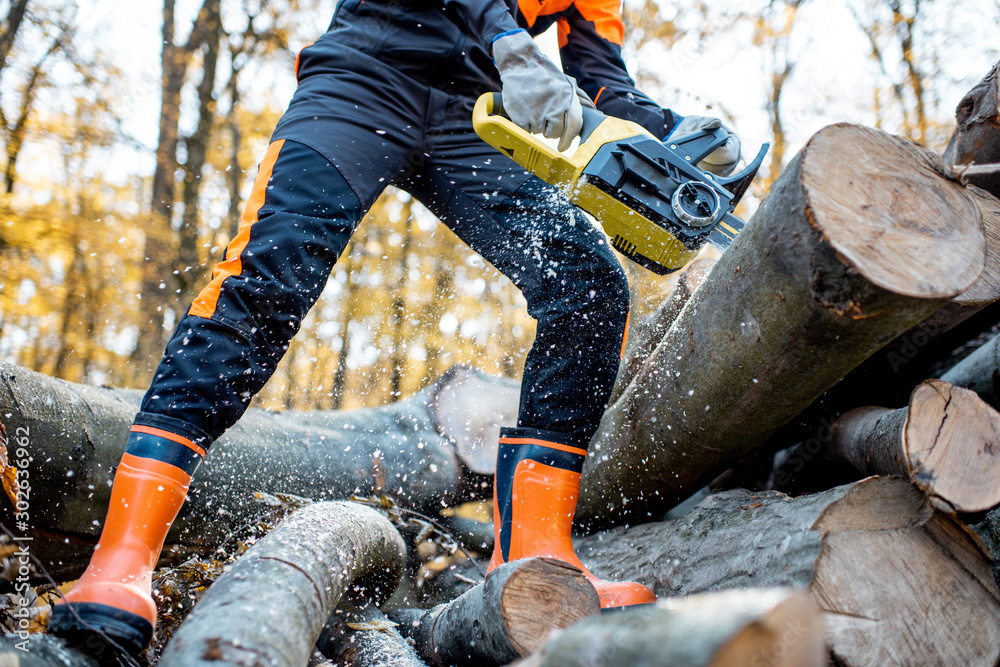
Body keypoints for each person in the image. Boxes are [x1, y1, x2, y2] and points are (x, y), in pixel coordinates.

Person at [48, 0, 740, 655]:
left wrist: (673, 135)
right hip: (364, 75)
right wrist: (513, 45)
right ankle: (122, 557)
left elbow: (602, 75)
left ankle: (535, 555)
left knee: (586, 287)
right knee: (266, 278)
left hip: (477, 113)